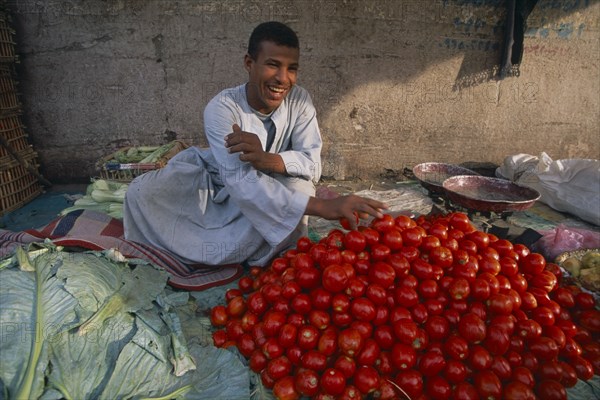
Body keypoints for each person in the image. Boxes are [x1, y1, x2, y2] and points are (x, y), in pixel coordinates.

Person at [123, 21, 387, 267]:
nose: (283, 78)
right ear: (249, 63)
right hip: (218, 183)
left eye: (291, 68)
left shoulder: (300, 101)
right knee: (141, 192)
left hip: (276, 186)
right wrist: (325, 207)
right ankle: (223, 248)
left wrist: (268, 160)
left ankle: (236, 248)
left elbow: (312, 164)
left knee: (301, 187)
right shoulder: (222, 109)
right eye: (272, 65)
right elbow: (240, 182)